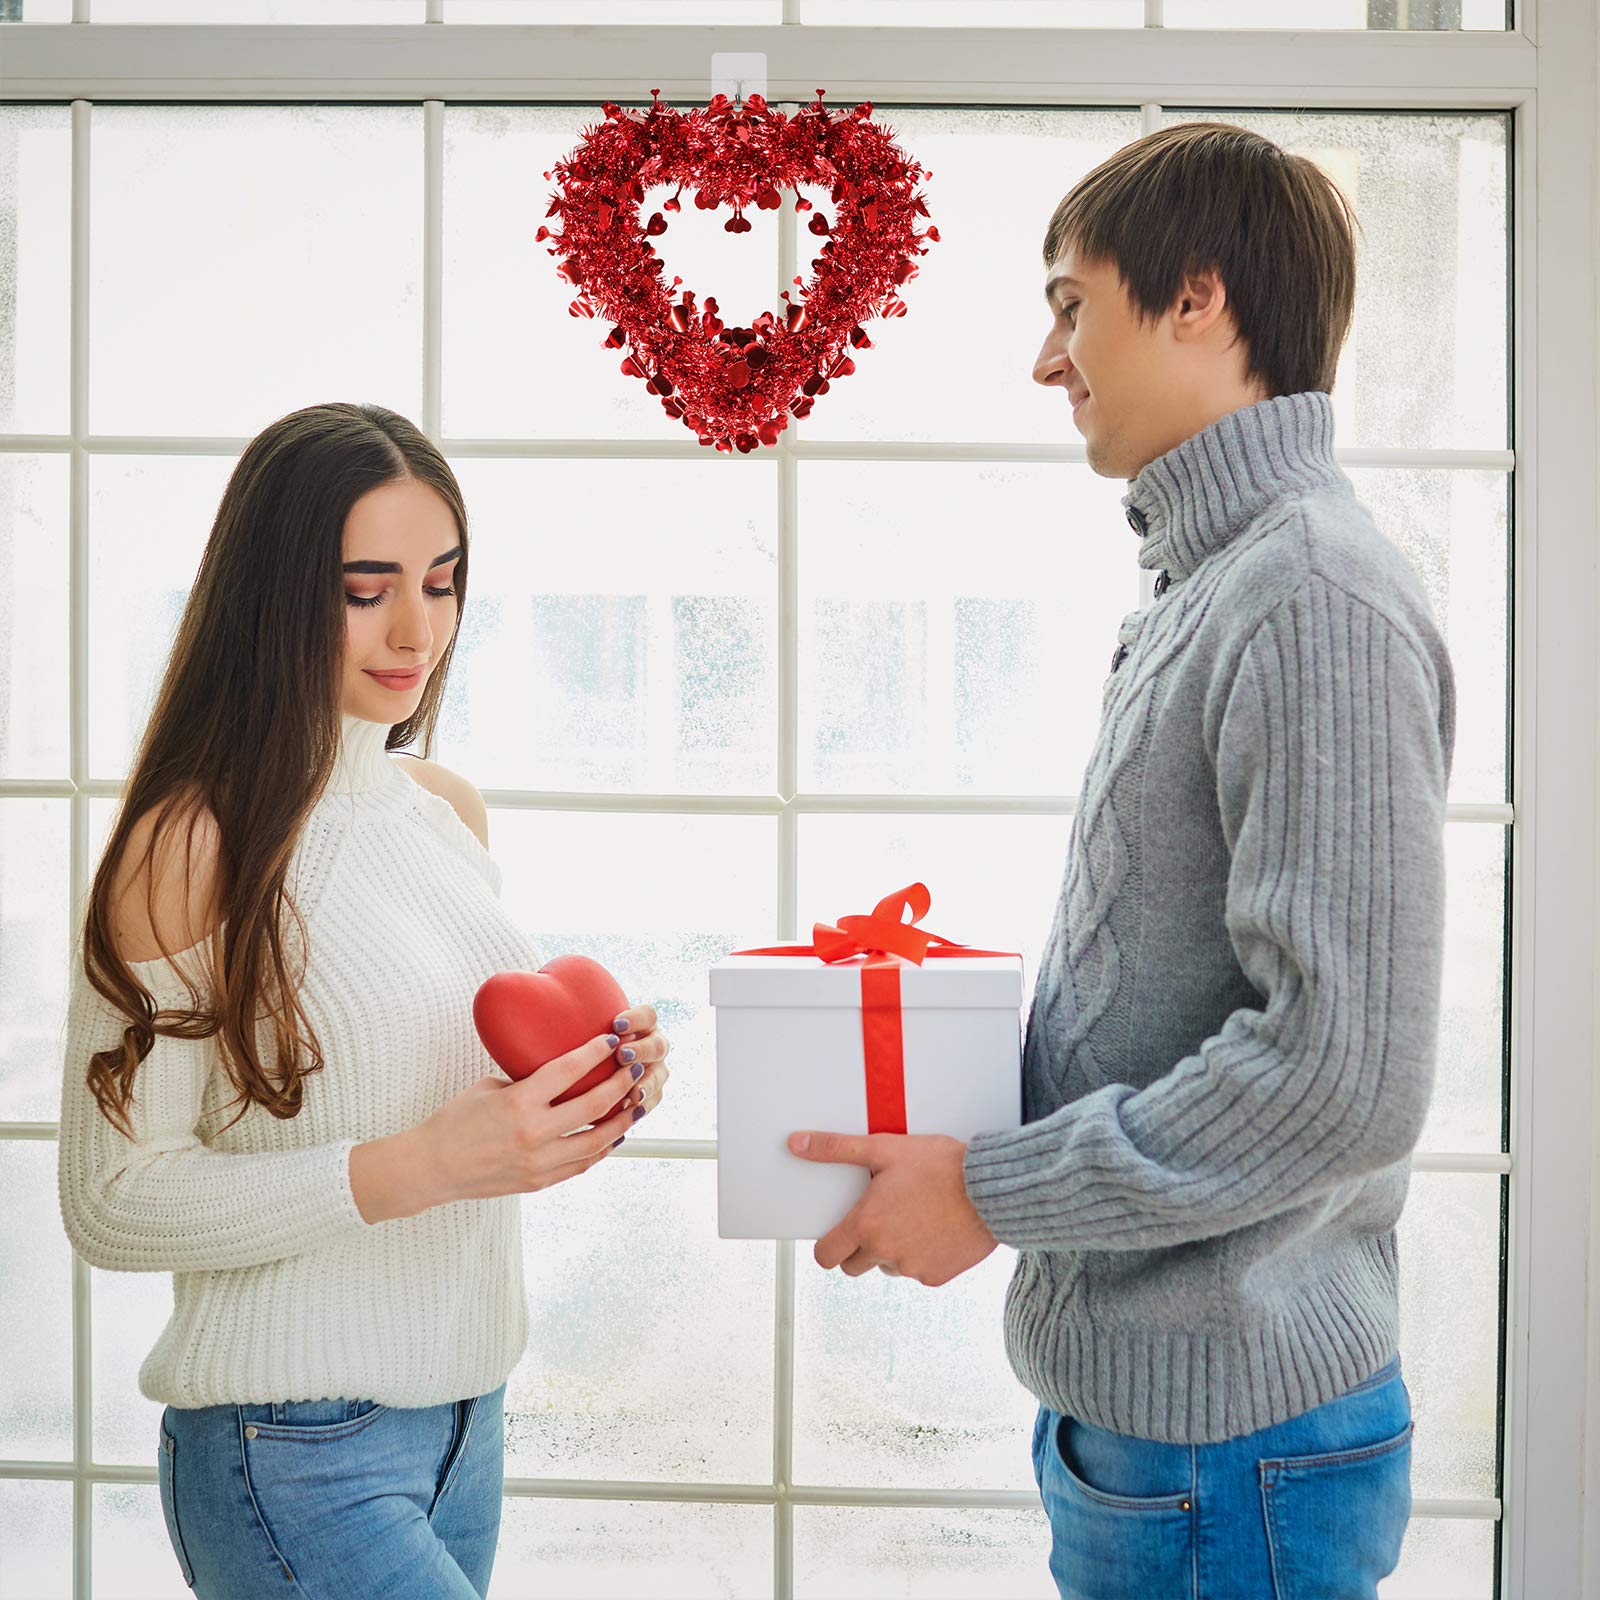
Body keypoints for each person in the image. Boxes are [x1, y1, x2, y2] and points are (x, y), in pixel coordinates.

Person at [788, 122, 1454, 1598]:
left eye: (1069, 303)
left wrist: (992, 1190)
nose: (1047, 357)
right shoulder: (1217, 584)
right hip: (1163, 1429)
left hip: (1234, 1443)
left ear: (1198, 297)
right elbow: (1172, 988)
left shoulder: (1307, 597)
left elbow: (1337, 1072)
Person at [56, 402, 671, 1600]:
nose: (415, 629)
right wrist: (424, 1162)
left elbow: (434, 1083)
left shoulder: (440, 810)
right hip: (289, 1449)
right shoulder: (189, 847)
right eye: (365, 586)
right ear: (275, 593)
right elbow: (110, 1203)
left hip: (465, 1428)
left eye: (441, 583)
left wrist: (589, 1088)